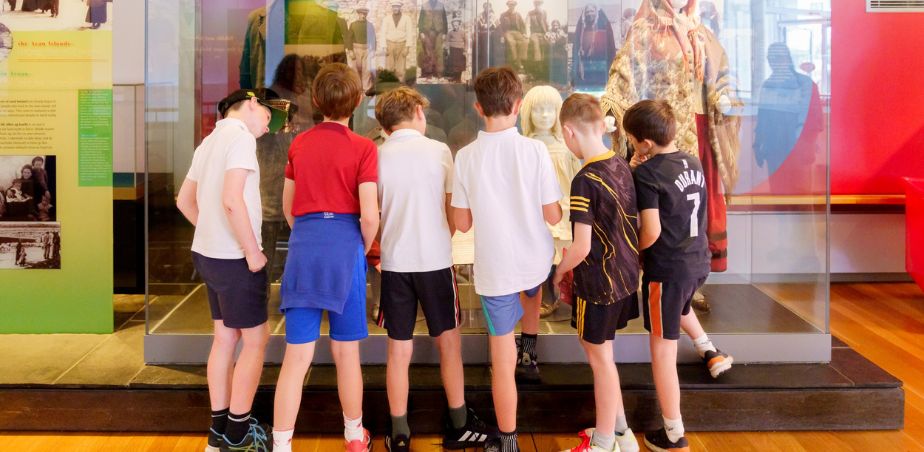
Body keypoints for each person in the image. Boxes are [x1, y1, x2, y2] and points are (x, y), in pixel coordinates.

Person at [374, 86, 498, 451]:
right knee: (449, 345)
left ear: (384, 124)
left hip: (395, 264)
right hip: (435, 262)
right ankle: (458, 423)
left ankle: (399, 431)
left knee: (398, 351)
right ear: (417, 112)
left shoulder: (376, 156)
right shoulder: (439, 151)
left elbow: (372, 214)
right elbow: (452, 212)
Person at [452, 67, 562, 452]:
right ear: (518, 105)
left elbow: (462, 223)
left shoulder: (465, 157)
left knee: (501, 362)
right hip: (535, 259)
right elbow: (553, 215)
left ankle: (509, 440)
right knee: (532, 287)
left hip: (495, 268)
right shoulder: (535, 151)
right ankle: (529, 351)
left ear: (479, 108)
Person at [271, 63, 379, 452]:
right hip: (345, 246)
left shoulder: (299, 143)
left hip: (304, 246)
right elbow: (370, 215)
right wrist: (359, 246)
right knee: (346, 352)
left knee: (297, 355)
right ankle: (354, 436)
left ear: (315, 101)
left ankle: (281, 444)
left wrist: (307, 231)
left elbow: (288, 206)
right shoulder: (365, 148)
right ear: (358, 101)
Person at [175, 88, 287, 451]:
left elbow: (184, 201)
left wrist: (211, 231)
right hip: (236, 259)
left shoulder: (209, 142)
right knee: (256, 340)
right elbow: (231, 199)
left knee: (225, 338)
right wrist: (252, 252)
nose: (268, 128)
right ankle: (238, 435)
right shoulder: (240, 138)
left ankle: (218, 432)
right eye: (268, 118)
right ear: (252, 103)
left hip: (208, 256)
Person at [625, 100, 733, 452]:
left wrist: (631, 250)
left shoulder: (647, 175)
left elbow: (651, 230)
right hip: (697, 262)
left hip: (667, 268)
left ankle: (673, 434)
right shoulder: (692, 161)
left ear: (644, 143)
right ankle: (709, 351)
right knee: (681, 307)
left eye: (631, 139)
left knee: (662, 351)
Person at [552, 93, 641, 452]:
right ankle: (620, 432)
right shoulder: (621, 164)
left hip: (598, 284)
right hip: (624, 279)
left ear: (568, 132)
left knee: (599, 358)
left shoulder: (584, 180)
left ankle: (604, 441)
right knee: (604, 354)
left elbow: (581, 247)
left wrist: (559, 271)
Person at [381, 0, 414, 82]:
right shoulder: (386, 19)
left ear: (400, 7)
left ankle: (400, 84)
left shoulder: (407, 18)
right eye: (394, 7)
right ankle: (389, 84)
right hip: (390, 44)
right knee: (389, 67)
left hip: (402, 44)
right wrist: (384, 47)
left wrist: (407, 48)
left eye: (397, 7)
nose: (395, 8)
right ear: (392, 7)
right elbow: (383, 33)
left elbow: (409, 33)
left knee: (401, 67)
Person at [348, 5, 377, 90]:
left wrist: (373, 50)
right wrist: (350, 50)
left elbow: (373, 38)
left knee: (366, 70)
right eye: (361, 14)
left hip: (367, 50)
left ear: (366, 15)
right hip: (356, 49)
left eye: (365, 14)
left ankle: (366, 88)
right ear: (358, 14)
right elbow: (349, 38)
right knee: (355, 70)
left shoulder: (370, 25)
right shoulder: (353, 25)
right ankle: (356, 88)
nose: (363, 16)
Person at [418, 0, 448, 79]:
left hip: (439, 32)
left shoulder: (441, 5)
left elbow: (444, 19)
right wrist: (421, 32)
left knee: (438, 52)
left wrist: (445, 33)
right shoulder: (424, 5)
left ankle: (438, 72)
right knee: (428, 52)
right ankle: (428, 72)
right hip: (427, 32)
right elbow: (421, 19)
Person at [498, 1, 528, 71]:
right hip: (508, 32)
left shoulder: (518, 14)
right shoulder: (503, 15)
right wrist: (502, 36)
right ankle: (515, 60)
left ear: (515, 5)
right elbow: (500, 27)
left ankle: (519, 60)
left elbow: (522, 25)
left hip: (517, 32)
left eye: (513, 5)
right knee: (512, 42)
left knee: (525, 41)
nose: (512, 6)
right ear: (508, 5)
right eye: (510, 5)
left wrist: (524, 33)